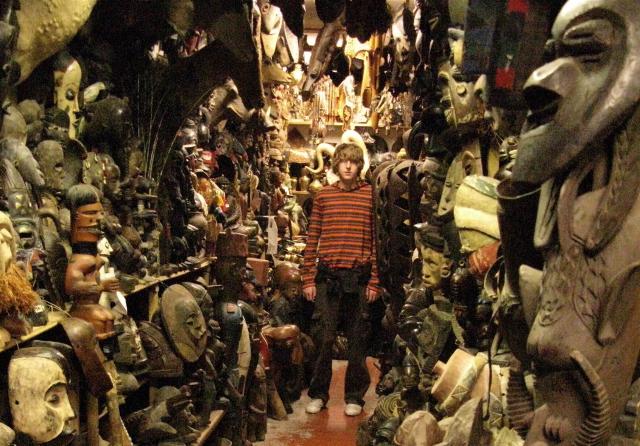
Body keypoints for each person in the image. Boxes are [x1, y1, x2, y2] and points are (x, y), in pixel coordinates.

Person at [301, 142, 380, 417]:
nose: (348, 166)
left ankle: (355, 396)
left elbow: (376, 241)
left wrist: (375, 281)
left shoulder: (370, 196)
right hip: (329, 277)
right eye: (343, 161)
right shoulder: (324, 196)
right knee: (323, 337)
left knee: (358, 339)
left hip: (359, 278)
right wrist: (308, 278)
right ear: (336, 164)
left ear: (360, 165)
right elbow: (312, 237)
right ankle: (318, 394)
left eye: (353, 161)